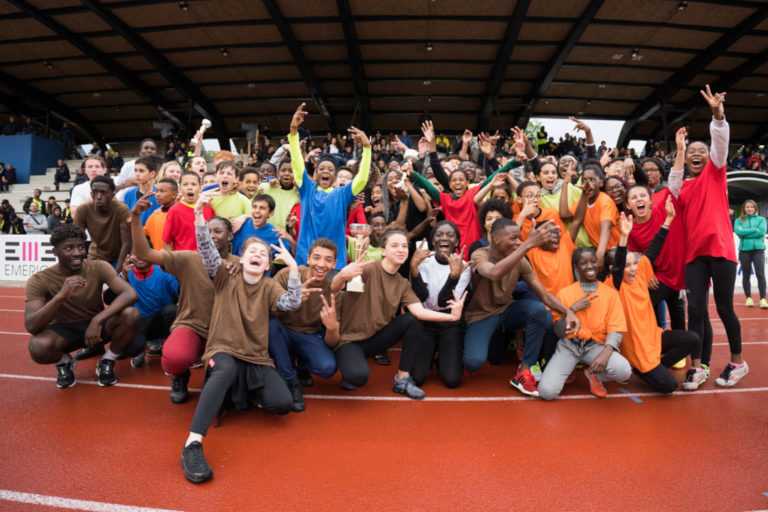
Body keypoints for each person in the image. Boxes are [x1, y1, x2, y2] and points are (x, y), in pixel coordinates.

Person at [180, 200, 303, 484]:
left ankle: (239, 393)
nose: (258, 255)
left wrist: (294, 269)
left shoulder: (270, 285)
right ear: (241, 257)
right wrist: (199, 213)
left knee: (282, 403)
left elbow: (290, 303)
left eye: (263, 253)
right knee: (226, 369)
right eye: (252, 251)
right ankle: (192, 443)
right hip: (222, 350)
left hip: (255, 357)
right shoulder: (224, 274)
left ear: (268, 264)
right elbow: (207, 250)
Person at [668, 85, 748, 389]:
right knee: (697, 310)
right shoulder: (683, 188)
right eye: (692, 153)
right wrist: (679, 148)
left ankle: (737, 362)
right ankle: (698, 367)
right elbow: (673, 182)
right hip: (695, 256)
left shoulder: (716, 172)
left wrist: (717, 115)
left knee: (725, 308)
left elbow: (720, 142)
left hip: (722, 250)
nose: (697, 155)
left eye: (702, 152)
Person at [331, 229, 467, 399]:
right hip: (350, 340)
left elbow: (420, 312)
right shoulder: (368, 268)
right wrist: (342, 275)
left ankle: (402, 379)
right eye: (394, 245)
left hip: (375, 340)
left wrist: (453, 317)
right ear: (383, 251)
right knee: (357, 377)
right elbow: (334, 289)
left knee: (412, 320)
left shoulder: (402, 284)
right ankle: (348, 366)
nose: (401, 249)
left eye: (404, 246)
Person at [131, 191, 238, 404]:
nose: (212, 235)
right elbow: (145, 254)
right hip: (192, 325)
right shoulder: (188, 258)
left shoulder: (240, 264)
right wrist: (135, 219)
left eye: (218, 231)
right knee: (174, 357)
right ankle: (179, 376)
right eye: (208, 232)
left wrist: (242, 264)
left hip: (224, 332)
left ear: (230, 236)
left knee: (228, 380)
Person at [463, 219, 579, 396]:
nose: (518, 242)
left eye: (520, 238)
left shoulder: (521, 260)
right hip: (482, 315)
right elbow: (494, 273)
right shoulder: (480, 254)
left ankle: (524, 372)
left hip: (507, 310)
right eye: (513, 238)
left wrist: (568, 312)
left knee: (539, 310)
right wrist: (528, 244)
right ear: (496, 239)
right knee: (473, 362)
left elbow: (544, 295)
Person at [24, 225, 140, 388]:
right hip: (64, 331)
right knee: (38, 346)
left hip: (97, 326)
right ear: (55, 253)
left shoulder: (99, 266)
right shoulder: (39, 280)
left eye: (80, 247)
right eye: (69, 248)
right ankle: (64, 362)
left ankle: (107, 361)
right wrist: (60, 296)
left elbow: (130, 293)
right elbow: (31, 325)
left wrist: (97, 320)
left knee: (132, 314)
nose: (77, 252)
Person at [611, 206, 697, 394]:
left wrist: (668, 220)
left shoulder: (640, 272)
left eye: (634, 262)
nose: (633, 268)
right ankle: (641, 370)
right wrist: (624, 237)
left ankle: (659, 366)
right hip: (637, 350)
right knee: (669, 386)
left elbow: (653, 250)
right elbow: (618, 267)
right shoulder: (615, 285)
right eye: (627, 265)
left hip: (654, 338)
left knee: (692, 338)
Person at [537, 247, 631, 400]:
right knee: (547, 393)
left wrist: (606, 354)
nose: (590, 266)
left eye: (593, 261)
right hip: (569, 347)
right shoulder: (564, 293)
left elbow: (616, 329)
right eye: (584, 263)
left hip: (596, 346)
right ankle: (570, 368)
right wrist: (571, 310)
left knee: (624, 371)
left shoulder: (610, 294)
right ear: (575, 267)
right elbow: (558, 332)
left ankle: (593, 374)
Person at [288, 103, 371, 269]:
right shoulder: (307, 189)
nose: (326, 171)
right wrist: (293, 133)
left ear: (335, 176)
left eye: (331, 169)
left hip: (334, 262)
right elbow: (297, 165)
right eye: (322, 169)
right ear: (316, 173)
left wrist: (367, 148)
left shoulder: (342, 193)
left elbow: (361, 180)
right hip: (306, 260)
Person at [268, 238, 340, 412]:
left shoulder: (333, 289)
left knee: (328, 368)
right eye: (316, 258)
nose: (321, 264)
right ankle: (291, 381)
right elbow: (268, 311)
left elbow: (332, 342)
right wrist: (292, 303)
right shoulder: (286, 275)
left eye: (328, 260)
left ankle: (300, 364)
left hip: (308, 334)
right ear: (307, 259)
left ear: (334, 264)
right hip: (281, 330)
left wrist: (331, 328)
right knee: (270, 325)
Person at [409, 221, 472, 388]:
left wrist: (454, 276)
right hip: (426, 320)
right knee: (417, 377)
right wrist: (414, 269)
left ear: (457, 242)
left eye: (450, 235)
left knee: (452, 380)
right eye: (439, 235)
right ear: (432, 240)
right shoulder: (423, 259)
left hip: (449, 322)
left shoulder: (464, 267)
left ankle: (441, 358)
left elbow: (444, 302)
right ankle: (427, 355)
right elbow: (422, 295)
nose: (444, 238)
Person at [120, 253, 179, 368]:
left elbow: (180, 290)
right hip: (139, 324)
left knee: (172, 310)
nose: (139, 257)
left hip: (162, 321)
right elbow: (108, 299)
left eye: (143, 252)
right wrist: (123, 277)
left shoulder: (163, 272)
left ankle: (169, 354)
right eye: (135, 253)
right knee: (131, 350)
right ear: (130, 257)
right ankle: (140, 349)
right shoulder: (126, 273)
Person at [73, 176, 131, 271]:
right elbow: (76, 240)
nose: (99, 197)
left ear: (112, 195)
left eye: (103, 193)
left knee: (119, 282)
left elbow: (126, 243)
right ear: (91, 194)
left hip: (119, 254)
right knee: (91, 280)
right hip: (96, 253)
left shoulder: (122, 210)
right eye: (95, 192)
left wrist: (118, 271)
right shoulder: (83, 210)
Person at [162, 171, 213, 251]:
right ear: (180, 189)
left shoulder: (207, 206)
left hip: (206, 259)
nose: (190, 187)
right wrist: (173, 262)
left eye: (193, 184)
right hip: (184, 260)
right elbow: (166, 241)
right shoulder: (174, 211)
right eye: (185, 185)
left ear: (200, 188)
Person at [734, 199, 766, 308]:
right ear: (744, 209)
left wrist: (745, 232)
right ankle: (748, 298)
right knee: (746, 275)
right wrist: (754, 230)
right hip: (744, 251)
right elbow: (738, 232)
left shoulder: (761, 220)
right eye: (747, 207)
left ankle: (763, 299)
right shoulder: (739, 220)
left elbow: (762, 231)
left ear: (755, 208)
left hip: (758, 251)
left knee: (760, 274)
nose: (749, 209)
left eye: (752, 207)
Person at [257, 159, 299, 230]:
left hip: (286, 236)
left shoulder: (298, 193)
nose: (287, 173)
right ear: (278, 173)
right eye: (283, 170)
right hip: (265, 233)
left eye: (291, 171)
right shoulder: (267, 187)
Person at [123, 156, 161, 225]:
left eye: (141, 171)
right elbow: (126, 219)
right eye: (135, 170)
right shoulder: (128, 194)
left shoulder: (159, 194)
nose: (137, 174)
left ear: (152, 173)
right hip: (134, 233)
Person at [144, 178, 177, 250]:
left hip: (177, 259)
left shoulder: (179, 214)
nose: (158, 195)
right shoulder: (155, 215)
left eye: (162, 191)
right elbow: (144, 233)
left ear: (174, 194)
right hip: (157, 259)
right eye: (156, 191)